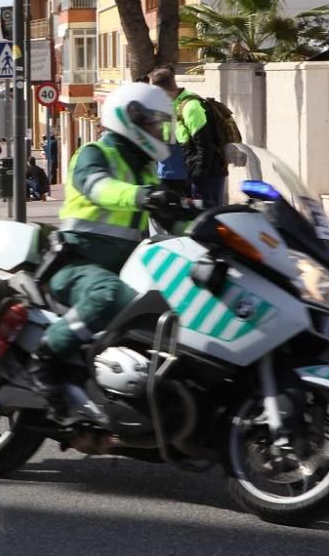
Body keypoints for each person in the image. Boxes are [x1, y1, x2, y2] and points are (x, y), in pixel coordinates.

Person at [29, 82, 178, 410]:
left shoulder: (146, 170)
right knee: (109, 295)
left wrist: (213, 226)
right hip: (74, 262)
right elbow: (100, 188)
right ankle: (45, 358)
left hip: (122, 267)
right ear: (133, 120)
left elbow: (174, 220)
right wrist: (141, 196)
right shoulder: (95, 154)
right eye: (154, 123)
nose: (160, 131)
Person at [150, 65, 227, 206]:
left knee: (209, 218)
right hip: (193, 175)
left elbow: (205, 143)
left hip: (208, 175)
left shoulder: (191, 106)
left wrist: (197, 176)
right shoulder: (174, 105)